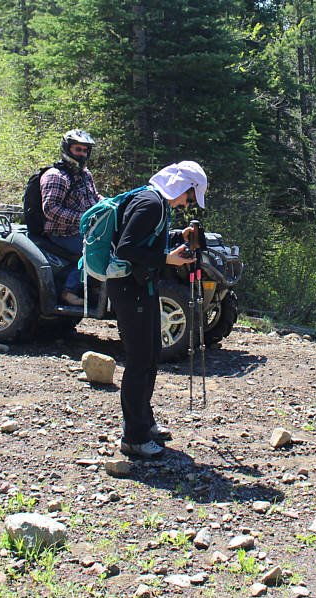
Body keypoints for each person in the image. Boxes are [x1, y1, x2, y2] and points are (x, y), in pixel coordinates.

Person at [108, 161, 207, 459]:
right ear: (180, 185)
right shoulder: (151, 204)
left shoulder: (156, 203)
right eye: (189, 197)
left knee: (150, 356)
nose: (187, 204)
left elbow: (147, 240)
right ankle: (134, 439)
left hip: (140, 287)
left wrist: (179, 237)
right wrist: (167, 260)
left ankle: (144, 423)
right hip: (129, 289)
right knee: (139, 362)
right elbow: (126, 248)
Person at [41, 129, 103, 306]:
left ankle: (96, 288)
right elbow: (50, 209)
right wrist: (83, 218)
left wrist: (112, 205)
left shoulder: (85, 174)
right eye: (78, 149)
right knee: (96, 250)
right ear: (67, 149)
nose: (82, 154)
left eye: (85, 150)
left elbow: (94, 197)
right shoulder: (56, 176)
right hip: (61, 233)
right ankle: (69, 291)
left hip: (82, 230)